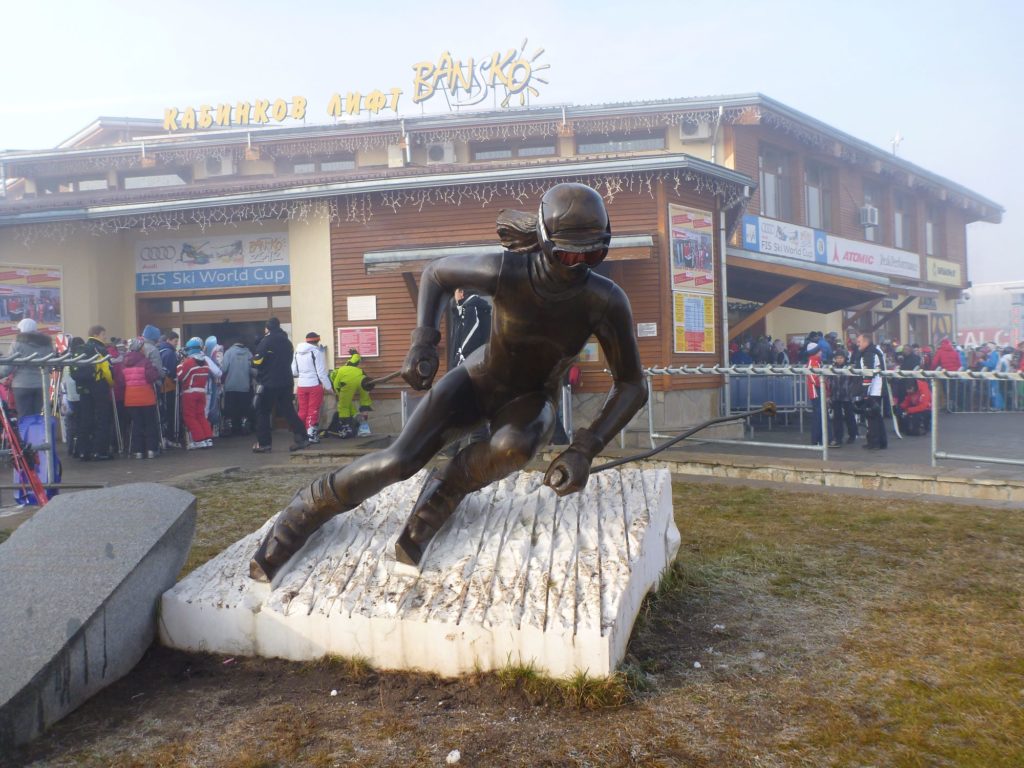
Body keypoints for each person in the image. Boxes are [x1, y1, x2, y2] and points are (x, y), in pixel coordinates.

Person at [250, 182, 647, 581]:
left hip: (531, 400)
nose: (578, 265)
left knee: (512, 447)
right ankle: (307, 509)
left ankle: (448, 488)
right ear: (543, 240)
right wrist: (423, 341)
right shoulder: (507, 270)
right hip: (476, 381)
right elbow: (436, 273)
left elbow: (632, 383)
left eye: (593, 253)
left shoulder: (605, 300)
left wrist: (585, 449)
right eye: (566, 254)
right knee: (397, 461)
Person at [251, 317, 309, 453]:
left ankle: (264, 444)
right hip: (286, 381)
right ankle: (302, 438)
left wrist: (253, 361)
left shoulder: (266, 341)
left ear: (267, 328)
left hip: (269, 382)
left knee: (263, 411)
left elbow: (257, 361)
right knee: (288, 410)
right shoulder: (287, 342)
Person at [75, 325, 115, 460]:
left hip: (83, 388)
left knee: (85, 418)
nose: (105, 337)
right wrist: (111, 383)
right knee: (102, 418)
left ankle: (83, 451)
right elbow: (107, 370)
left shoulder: (82, 348)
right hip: (99, 386)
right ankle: (100, 451)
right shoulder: (100, 349)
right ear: (97, 335)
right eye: (103, 334)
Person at [0, 318, 53, 417]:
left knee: (24, 416)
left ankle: (25, 428)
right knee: (37, 416)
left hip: (21, 385)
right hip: (42, 385)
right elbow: (50, 366)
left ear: (21, 329)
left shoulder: (17, 343)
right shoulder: (47, 344)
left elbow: (8, 366)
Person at [123, 337, 162, 458]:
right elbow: (152, 377)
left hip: (130, 398)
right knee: (150, 424)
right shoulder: (146, 362)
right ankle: (151, 450)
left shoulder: (124, 362)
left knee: (137, 424)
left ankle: (138, 451)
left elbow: (121, 380)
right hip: (146, 398)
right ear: (140, 349)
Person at [292, 332, 332, 444]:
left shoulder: (297, 352)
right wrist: (329, 387)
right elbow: (321, 373)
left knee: (302, 410)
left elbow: (294, 371)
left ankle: (300, 433)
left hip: (301, 385)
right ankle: (311, 435)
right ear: (317, 341)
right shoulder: (316, 352)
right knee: (313, 410)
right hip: (314, 385)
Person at [177, 337, 214, 449]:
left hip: (190, 392)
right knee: (201, 416)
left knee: (189, 417)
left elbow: (180, 376)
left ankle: (199, 440)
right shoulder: (205, 362)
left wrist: (180, 363)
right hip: (202, 392)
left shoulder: (189, 362)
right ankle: (208, 438)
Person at [328, 351, 374, 438]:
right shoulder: (347, 365)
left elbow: (337, 386)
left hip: (349, 383)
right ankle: (364, 429)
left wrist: (338, 393)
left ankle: (346, 429)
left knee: (343, 406)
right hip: (364, 378)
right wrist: (355, 353)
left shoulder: (337, 373)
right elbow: (356, 358)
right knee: (364, 403)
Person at [853, 332, 887, 450]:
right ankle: (881, 442)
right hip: (877, 387)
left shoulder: (869, 353)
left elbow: (868, 373)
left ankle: (874, 442)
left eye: (859, 342)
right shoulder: (875, 350)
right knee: (876, 416)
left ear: (866, 342)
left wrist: (865, 393)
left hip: (874, 389)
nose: (857, 344)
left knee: (872, 416)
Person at [221, 338, 254, 436]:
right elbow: (252, 370)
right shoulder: (249, 354)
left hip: (230, 386)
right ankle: (244, 426)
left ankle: (229, 428)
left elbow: (223, 368)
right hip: (244, 386)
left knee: (230, 408)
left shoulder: (228, 352)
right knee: (244, 408)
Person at [828, 347, 859, 446]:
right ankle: (838, 437)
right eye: (837, 358)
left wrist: (853, 392)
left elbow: (854, 381)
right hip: (835, 396)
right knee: (837, 418)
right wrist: (829, 395)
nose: (839, 359)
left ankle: (852, 435)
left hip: (847, 396)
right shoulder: (831, 368)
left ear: (845, 358)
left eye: (841, 358)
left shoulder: (849, 368)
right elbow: (829, 382)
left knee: (849, 416)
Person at [157, 332, 181, 446]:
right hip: (169, 386)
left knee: (163, 413)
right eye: (175, 341)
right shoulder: (169, 353)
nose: (176, 344)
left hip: (161, 387)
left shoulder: (159, 350)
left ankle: (163, 437)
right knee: (170, 412)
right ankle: (169, 437)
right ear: (169, 340)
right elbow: (172, 371)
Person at [895, 364, 932, 437]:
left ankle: (922, 428)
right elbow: (908, 400)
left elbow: (923, 406)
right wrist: (901, 407)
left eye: (909, 390)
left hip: (926, 409)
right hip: (916, 406)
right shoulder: (912, 389)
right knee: (901, 412)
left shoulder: (924, 390)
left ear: (913, 387)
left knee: (916, 415)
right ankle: (904, 428)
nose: (908, 392)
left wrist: (908, 410)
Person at [806, 342, 830, 446]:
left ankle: (819, 439)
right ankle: (818, 439)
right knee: (819, 416)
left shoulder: (816, 362)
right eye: (819, 350)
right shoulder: (813, 362)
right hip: (816, 393)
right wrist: (825, 383)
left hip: (818, 392)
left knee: (819, 416)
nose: (821, 352)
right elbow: (815, 379)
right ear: (815, 352)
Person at [204, 336, 225, 435]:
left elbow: (219, 367)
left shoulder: (211, 353)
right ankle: (213, 431)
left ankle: (212, 431)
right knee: (214, 406)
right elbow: (220, 368)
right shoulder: (217, 350)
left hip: (211, 384)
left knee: (211, 407)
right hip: (213, 383)